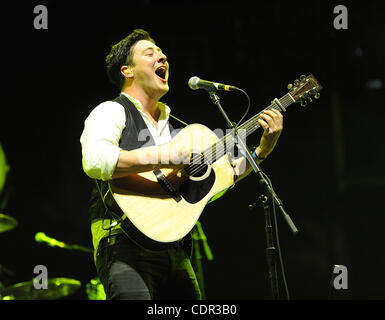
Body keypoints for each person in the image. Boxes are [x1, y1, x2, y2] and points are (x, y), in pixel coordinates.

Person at [80, 29, 283, 300]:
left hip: (175, 248)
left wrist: (261, 151)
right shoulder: (111, 111)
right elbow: (95, 161)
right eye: (150, 53)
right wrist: (166, 156)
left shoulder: (178, 129)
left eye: (162, 52)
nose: (162, 56)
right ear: (127, 70)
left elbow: (220, 181)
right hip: (124, 243)